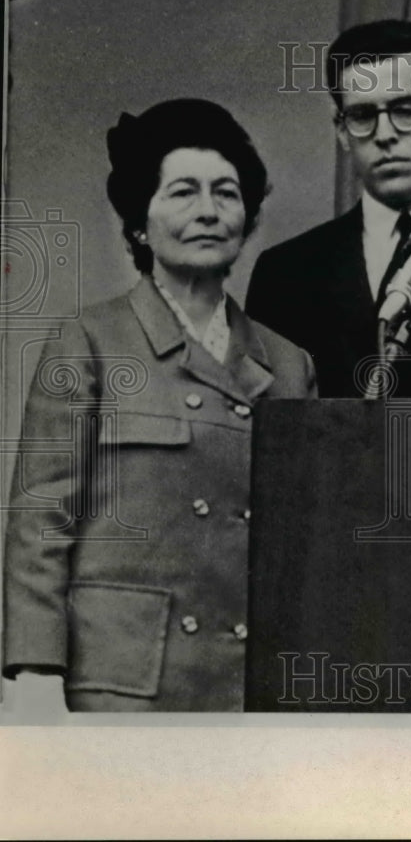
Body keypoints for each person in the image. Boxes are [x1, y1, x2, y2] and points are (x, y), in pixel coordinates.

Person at [2, 99, 317, 712]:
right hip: (119, 686)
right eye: (182, 192)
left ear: (247, 217)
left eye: (226, 193)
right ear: (140, 224)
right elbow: (40, 523)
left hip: (244, 686)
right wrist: (35, 669)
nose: (208, 210)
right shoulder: (89, 341)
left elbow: (300, 547)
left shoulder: (289, 364)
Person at [246, 19, 411, 398]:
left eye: (405, 109)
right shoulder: (285, 273)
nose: (385, 133)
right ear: (341, 131)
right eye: (362, 116)